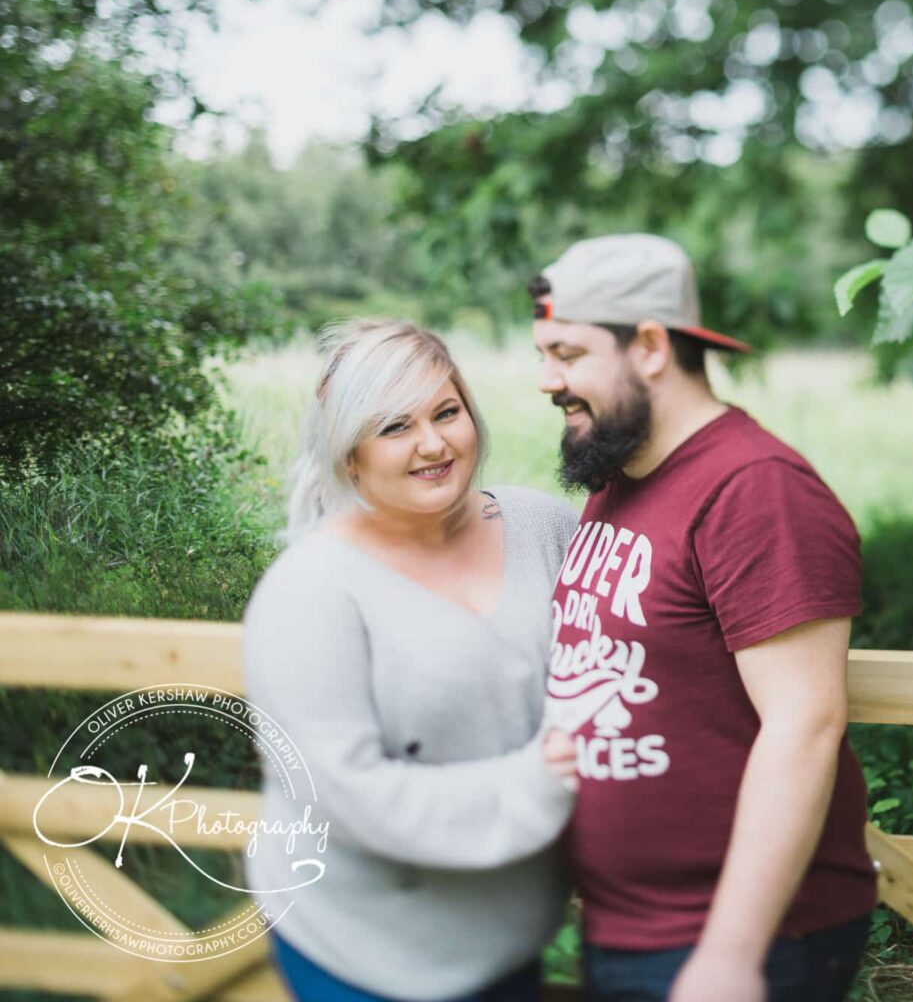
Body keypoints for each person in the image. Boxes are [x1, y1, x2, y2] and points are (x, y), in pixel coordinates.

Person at [531, 234, 876, 1002]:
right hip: (629, 928)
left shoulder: (757, 490)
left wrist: (729, 955)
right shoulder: (623, 473)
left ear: (650, 345)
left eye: (566, 353)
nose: (547, 380)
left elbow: (806, 725)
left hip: (734, 945)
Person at [242, 319, 580, 1002]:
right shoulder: (311, 589)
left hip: (511, 932)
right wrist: (543, 781)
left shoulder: (544, 526)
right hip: (364, 950)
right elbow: (347, 795)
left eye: (446, 412)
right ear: (350, 457)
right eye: (394, 427)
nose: (433, 443)